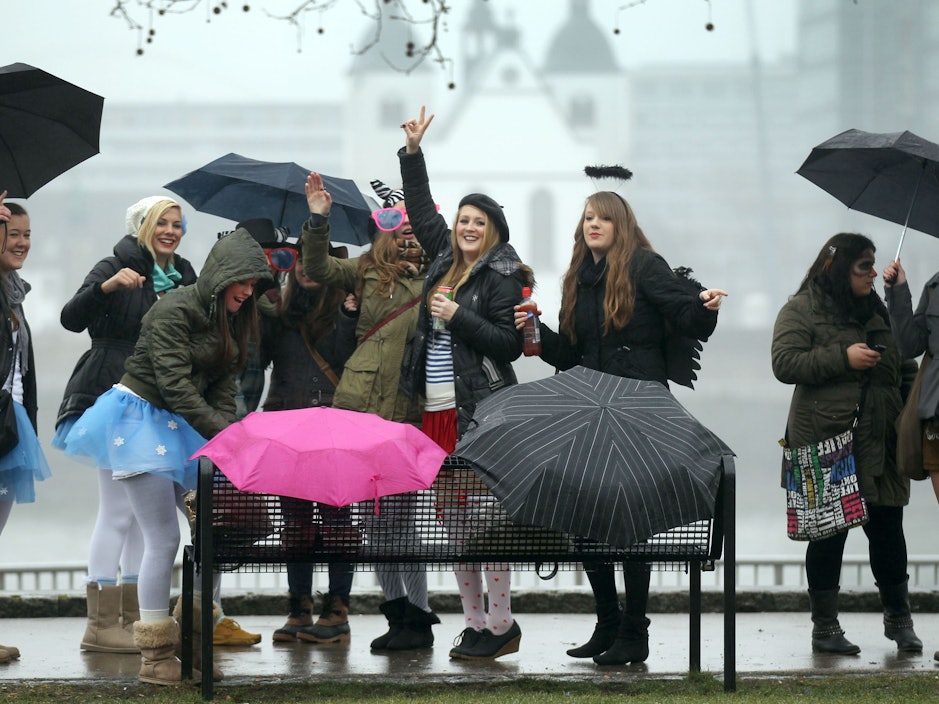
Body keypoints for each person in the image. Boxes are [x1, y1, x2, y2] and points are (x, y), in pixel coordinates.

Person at [512, 182, 727, 665]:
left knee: (629, 524)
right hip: (589, 405)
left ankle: (635, 630)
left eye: (603, 218)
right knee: (587, 518)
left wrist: (705, 305)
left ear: (620, 225)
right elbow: (570, 354)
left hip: (638, 406)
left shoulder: (644, 267)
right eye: (588, 217)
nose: (593, 224)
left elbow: (684, 311)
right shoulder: (577, 278)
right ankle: (607, 622)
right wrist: (536, 331)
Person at [57, 227, 272, 685]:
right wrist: (225, 435)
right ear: (223, 276)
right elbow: (173, 385)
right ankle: (156, 656)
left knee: (210, 531)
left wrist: (224, 434)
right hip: (139, 420)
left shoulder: (230, 320)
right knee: (163, 538)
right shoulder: (172, 309)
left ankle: (193, 640)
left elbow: (221, 385)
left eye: (256, 285)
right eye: (245, 282)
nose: (249, 291)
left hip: (182, 425)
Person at [398, 107, 534, 661]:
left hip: (480, 410)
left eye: (478, 222)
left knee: (485, 526)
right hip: (435, 410)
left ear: (494, 231)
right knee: (455, 528)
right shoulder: (443, 259)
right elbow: (419, 210)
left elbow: (506, 345)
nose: (467, 229)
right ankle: (473, 624)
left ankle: (502, 624)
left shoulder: (504, 277)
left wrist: (457, 317)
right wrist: (412, 154)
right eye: (462, 221)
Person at [52, 196, 197, 654]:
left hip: (159, 403)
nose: (170, 231)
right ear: (143, 227)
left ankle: (135, 618)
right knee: (117, 511)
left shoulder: (185, 276)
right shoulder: (115, 265)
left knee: (141, 518)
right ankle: (99, 623)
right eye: (162, 224)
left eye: (177, 224)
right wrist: (108, 287)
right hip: (109, 397)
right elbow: (70, 318)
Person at [302, 174, 440, 652]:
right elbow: (317, 267)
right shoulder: (361, 269)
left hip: (406, 407)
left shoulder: (439, 275)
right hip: (360, 405)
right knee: (375, 521)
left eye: (411, 221)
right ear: (379, 228)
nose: (403, 229)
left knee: (404, 519)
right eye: (391, 219)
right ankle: (396, 612)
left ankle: (418, 616)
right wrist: (318, 218)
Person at [772, 233, 922, 655]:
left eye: (874, 265)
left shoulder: (881, 311)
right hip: (826, 443)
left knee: (889, 531)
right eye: (863, 266)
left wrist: (917, 409)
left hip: (881, 438)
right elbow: (784, 362)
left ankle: (899, 621)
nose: (872, 273)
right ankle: (825, 629)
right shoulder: (802, 309)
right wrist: (844, 357)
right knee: (828, 535)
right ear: (836, 267)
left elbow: (904, 367)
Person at [257, 236, 360, 645]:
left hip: (333, 420)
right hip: (286, 422)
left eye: (311, 262)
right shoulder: (277, 310)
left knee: (336, 520)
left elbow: (342, 358)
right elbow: (260, 356)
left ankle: (337, 609)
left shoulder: (344, 308)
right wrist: (264, 307)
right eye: (296, 261)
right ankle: (299, 606)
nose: (302, 268)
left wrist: (350, 318)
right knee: (295, 521)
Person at [0, 195, 52, 665]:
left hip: (12, 422)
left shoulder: (15, 292)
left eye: (27, 234)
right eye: (12, 233)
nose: (22, 242)